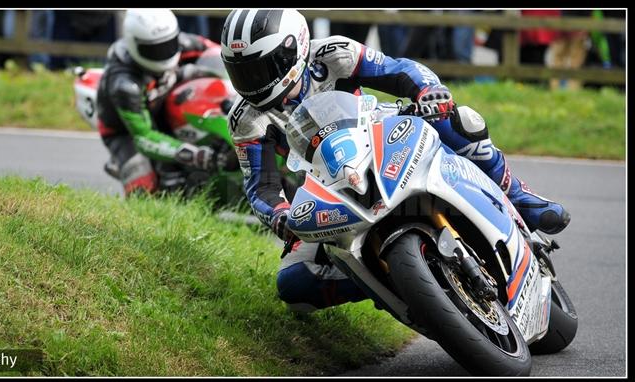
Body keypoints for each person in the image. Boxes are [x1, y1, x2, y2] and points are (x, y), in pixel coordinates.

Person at [219, 9, 571, 312]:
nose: (252, 82)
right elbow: (261, 187)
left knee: (459, 119)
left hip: (379, 136)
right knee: (293, 287)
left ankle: (518, 195)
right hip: (324, 187)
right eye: (242, 72)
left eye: (260, 68)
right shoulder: (245, 119)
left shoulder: (333, 53)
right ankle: (389, 286)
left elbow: (401, 71)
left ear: (292, 50)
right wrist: (282, 217)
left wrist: (427, 91)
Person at [96, 9, 220, 195]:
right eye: (154, 49)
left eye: (168, 44)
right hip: (126, 131)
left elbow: (218, 53)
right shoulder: (124, 84)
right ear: (135, 43)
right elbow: (144, 137)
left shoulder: (180, 42)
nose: (164, 53)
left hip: (163, 105)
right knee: (144, 188)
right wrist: (192, 154)